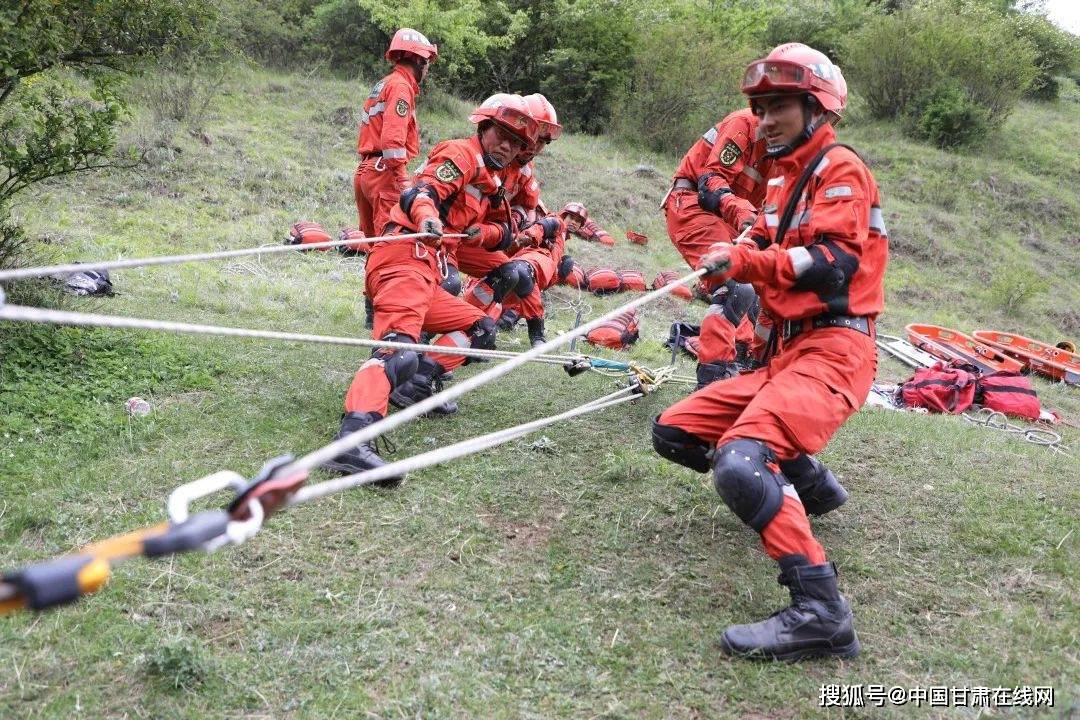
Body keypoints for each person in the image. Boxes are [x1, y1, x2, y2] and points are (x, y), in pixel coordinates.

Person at [651, 42, 887, 661]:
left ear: (816, 107)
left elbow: (832, 265)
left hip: (833, 350)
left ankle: (822, 613)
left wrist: (747, 261)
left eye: (779, 105)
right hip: (785, 354)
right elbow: (758, 238)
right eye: (759, 108)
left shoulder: (841, 170)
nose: (764, 120)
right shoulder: (784, 181)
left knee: (739, 459)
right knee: (674, 431)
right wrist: (721, 267)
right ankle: (809, 488)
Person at [323, 102, 539, 483]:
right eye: (501, 136)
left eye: (515, 144)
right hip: (404, 257)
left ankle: (416, 382)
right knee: (396, 350)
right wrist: (427, 216)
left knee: (479, 331)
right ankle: (352, 443)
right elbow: (419, 194)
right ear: (484, 128)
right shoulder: (459, 154)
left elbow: (506, 233)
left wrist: (486, 233)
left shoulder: (493, 180)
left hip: (427, 270)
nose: (506, 147)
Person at [664, 106, 774, 387]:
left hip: (733, 221)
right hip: (693, 204)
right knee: (735, 286)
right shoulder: (745, 124)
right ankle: (716, 378)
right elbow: (710, 182)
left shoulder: (792, 149)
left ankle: (756, 368)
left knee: (769, 291)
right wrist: (740, 212)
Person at [354, 28, 438, 239]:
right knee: (390, 244)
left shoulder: (384, 83)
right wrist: (403, 181)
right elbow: (392, 142)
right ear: (419, 60)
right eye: (427, 61)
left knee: (374, 244)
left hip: (367, 171)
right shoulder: (401, 87)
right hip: (385, 174)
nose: (428, 68)